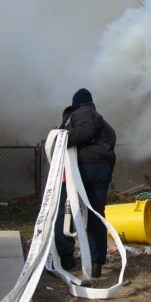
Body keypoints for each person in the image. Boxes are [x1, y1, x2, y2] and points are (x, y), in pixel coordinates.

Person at [54, 88, 116, 277]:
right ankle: (96, 262)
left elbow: (85, 130)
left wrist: (62, 137)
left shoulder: (81, 113)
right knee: (96, 213)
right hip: (102, 170)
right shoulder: (105, 124)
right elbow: (110, 147)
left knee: (65, 209)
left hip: (81, 167)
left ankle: (66, 257)